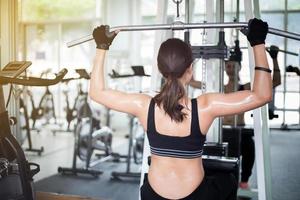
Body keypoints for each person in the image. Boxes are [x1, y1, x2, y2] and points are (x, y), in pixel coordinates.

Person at [89, 18, 271, 200]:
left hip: (152, 196)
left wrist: (102, 47)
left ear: (161, 70)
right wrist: (257, 43)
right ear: (190, 69)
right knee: (229, 180)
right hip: (196, 197)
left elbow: (97, 92)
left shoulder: (144, 106)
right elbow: (262, 95)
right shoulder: (205, 106)